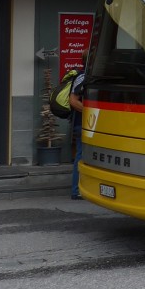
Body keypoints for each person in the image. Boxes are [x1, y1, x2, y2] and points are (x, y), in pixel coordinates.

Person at [68, 66, 86, 199]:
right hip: (82, 124)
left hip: (86, 124)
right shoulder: (83, 77)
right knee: (81, 155)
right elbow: (73, 101)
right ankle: (76, 190)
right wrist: (90, 111)